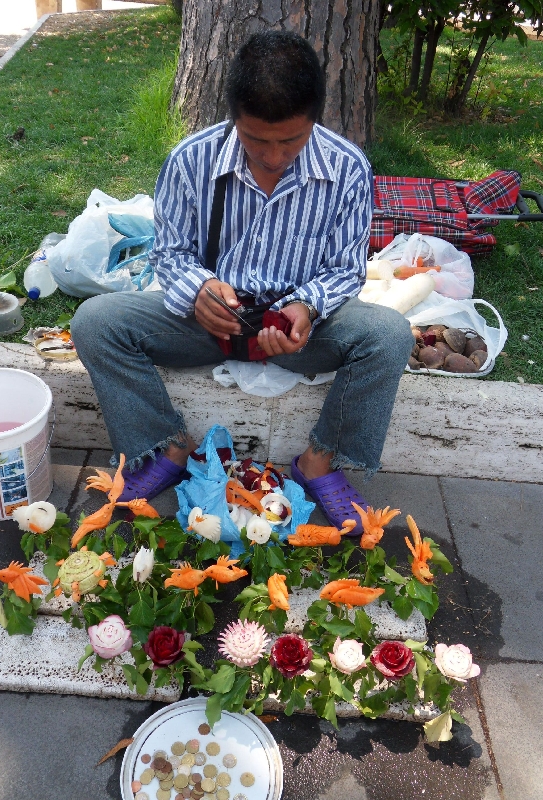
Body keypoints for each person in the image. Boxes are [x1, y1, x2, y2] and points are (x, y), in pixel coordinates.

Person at [71, 30, 413, 536]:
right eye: (256, 140)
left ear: (315, 120)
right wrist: (199, 290)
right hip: (208, 325)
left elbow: (345, 269)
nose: (273, 157)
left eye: (290, 141)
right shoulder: (192, 159)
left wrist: (306, 307)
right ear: (233, 118)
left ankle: (319, 462)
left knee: (388, 336)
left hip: (298, 332)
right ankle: (169, 446)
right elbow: (169, 254)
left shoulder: (347, 168)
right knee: (95, 322)